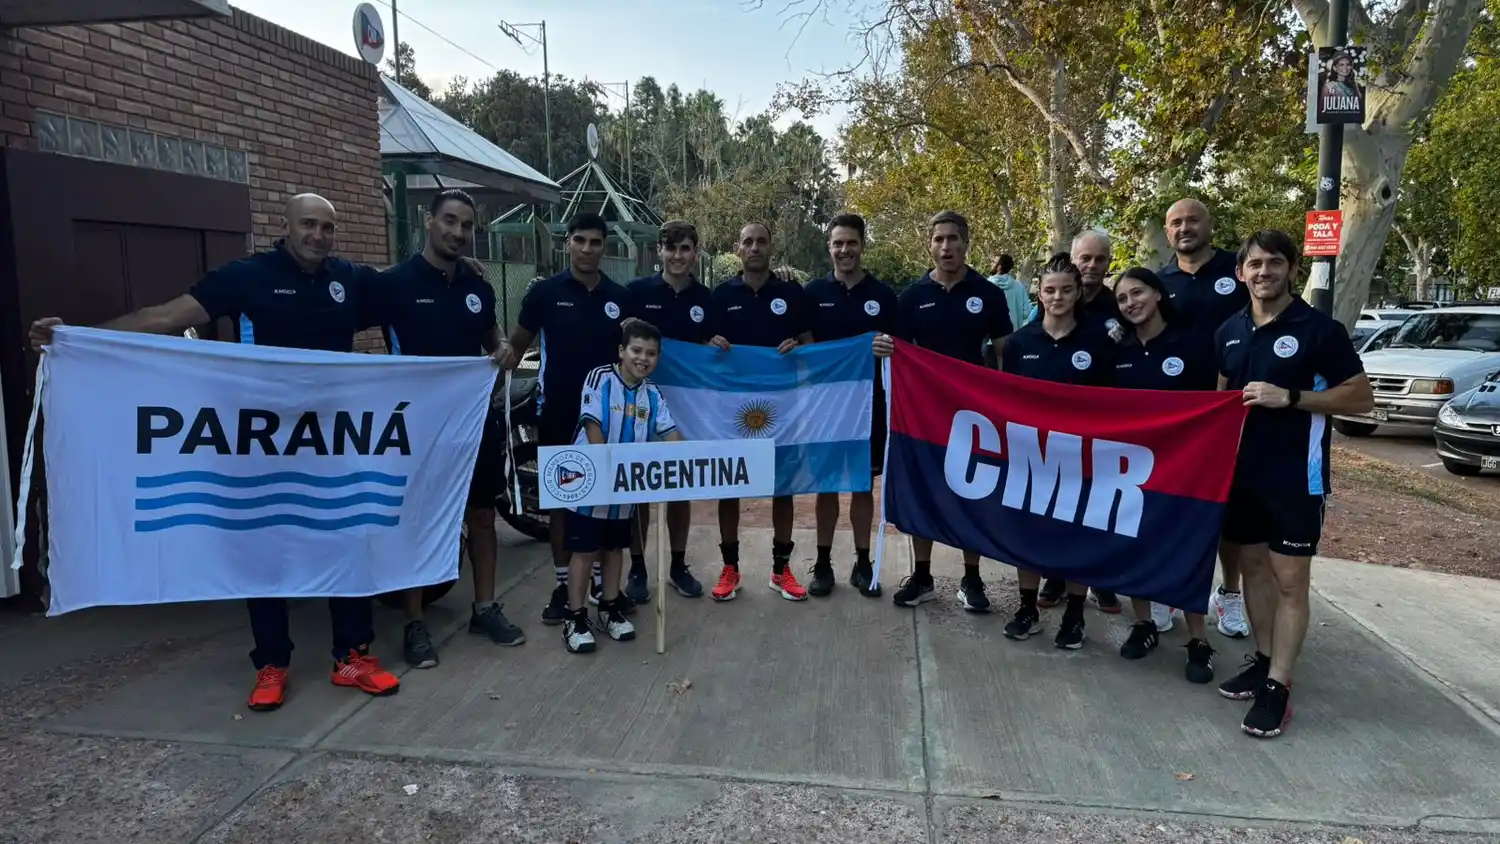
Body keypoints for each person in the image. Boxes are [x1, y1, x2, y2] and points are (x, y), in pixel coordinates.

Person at [28, 194, 403, 712]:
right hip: (259, 440)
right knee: (265, 548)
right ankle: (272, 662)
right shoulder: (247, 277)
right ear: (287, 226)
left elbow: (409, 292)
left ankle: (352, 656)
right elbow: (164, 316)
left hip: (329, 439)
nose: (318, 235)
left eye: (327, 227)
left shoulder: (349, 280)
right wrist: (74, 338)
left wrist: (460, 269)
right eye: (308, 224)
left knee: (348, 536)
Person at [1214, 230, 1373, 738]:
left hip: (1296, 479)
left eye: (1275, 263)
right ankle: (1264, 661)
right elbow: (1220, 399)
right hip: (1243, 476)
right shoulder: (1229, 331)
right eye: (1255, 264)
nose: (1264, 272)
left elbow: (1361, 398)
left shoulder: (1320, 330)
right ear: (1240, 272)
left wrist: (1293, 397)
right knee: (1254, 571)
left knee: (1289, 581)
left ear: (1291, 270)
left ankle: (1278, 687)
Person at [372, 189, 525, 669]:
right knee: (418, 520)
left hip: (473, 422)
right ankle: (414, 623)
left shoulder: (478, 287)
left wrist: (501, 347)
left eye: (467, 225)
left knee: (482, 515)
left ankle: (485, 608)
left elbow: (491, 336)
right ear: (429, 220)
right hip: (417, 426)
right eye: (450, 221)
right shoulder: (393, 284)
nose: (458, 232)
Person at [872, 210, 1014, 611]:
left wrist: (1007, 403)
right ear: (929, 245)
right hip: (925, 414)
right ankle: (922, 577)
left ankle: (972, 579)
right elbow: (898, 350)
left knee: (972, 492)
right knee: (924, 490)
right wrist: (882, 348)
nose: (946, 246)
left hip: (975, 416)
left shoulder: (988, 294)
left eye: (953, 239)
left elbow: (1004, 352)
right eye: (939, 239)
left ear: (966, 244)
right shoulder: (912, 297)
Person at [500, 213, 635, 626]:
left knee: (606, 502)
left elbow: (637, 353)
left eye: (595, 242)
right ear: (568, 243)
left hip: (609, 421)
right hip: (558, 414)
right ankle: (563, 586)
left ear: (605, 247)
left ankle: (601, 587)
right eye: (580, 240)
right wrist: (484, 369)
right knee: (563, 501)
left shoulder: (620, 297)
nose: (587, 249)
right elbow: (514, 347)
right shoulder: (545, 293)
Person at [998, 254, 1115, 650]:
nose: (1058, 296)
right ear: (1039, 294)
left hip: (1084, 455)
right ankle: (1027, 609)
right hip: (1032, 455)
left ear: (1078, 292)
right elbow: (1006, 399)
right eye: (1050, 290)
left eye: (1066, 289)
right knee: (1029, 535)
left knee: (1078, 535)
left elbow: (1115, 401)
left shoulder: (1099, 340)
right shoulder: (1020, 342)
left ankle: (1075, 613)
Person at [1109, 267, 1218, 683]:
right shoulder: (1117, 351)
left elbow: (1213, 405)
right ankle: (1144, 624)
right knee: (1135, 545)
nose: (1130, 303)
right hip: (1133, 469)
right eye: (1122, 299)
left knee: (1186, 550)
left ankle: (1198, 639)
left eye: (1137, 292)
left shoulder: (1192, 344)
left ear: (1157, 294)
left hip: (1185, 469)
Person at [1158, 198, 1254, 639]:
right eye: (1175, 223)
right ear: (1167, 232)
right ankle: (1165, 590)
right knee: (1171, 506)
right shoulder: (1160, 282)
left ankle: (1229, 594)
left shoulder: (1239, 272)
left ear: (1209, 224)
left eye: (1192, 220)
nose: (1184, 228)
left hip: (1231, 411)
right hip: (1176, 417)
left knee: (1227, 511)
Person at [562, 320, 685, 654]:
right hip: (590, 482)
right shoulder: (600, 378)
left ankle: (609, 608)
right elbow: (592, 425)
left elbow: (671, 434)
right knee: (585, 551)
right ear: (621, 351)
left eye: (651, 353)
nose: (643, 358)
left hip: (624, 489)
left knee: (615, 549)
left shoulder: (653, 394)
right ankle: (575, 618)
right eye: (636, 350)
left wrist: (688, 460)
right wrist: (606, 467)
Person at [707, 221, 813, 602]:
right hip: (733, 410)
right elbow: (705, 349)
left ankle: (781, 570)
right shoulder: (721, 295)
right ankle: (730, 569)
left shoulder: (791, 293)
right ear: (738, 248)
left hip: (782, 409)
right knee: (729, 487)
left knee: (783, 489)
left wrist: (799, 348)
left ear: (772, 247)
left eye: (761, 241)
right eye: (748, 241)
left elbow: (810, 346)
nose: (755, 247)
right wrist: (710, 343)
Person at [802, 213, 897, 598]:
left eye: (851, 243)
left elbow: (899, 348)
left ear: (863, 245)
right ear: (829, 247)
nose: (845, 250)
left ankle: (862, 563)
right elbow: (805, 344)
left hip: (868, 407)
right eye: (838, 243)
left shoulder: (883, 295)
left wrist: (887, 348)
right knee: (826, 485)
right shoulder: (812, 293)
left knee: (862, 485)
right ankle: (823, 563)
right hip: (825, 408)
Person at [1034, 231, 1125, 614]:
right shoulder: (1043, 313)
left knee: (1095, 510)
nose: (1092, 265)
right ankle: (1055, 576)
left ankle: (1099, 579)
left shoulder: (1118, 305)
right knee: (1054, 509)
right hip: (1050, 435)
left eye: (1100, 259)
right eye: (1085, 258)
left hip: (1097, 427)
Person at [622, 221, 713, 602]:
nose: (678, 256)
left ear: (695, 253)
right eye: (671, 248)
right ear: (659, 250)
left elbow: (715, 348)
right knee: (640, 489)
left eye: (685, 248)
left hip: (686, 411)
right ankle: (638, 567)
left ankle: (677, 564)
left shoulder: (706, 298)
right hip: (640, 406)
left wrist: (715, 345)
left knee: (680, 487)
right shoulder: (636, 293)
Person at [988, 253, 1031, 334]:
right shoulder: (1019, 287)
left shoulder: (986, 286)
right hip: (1014, 334)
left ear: (999, 266)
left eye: (993, 262)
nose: (991, 264)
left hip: (991, 337)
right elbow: (1027, 312)